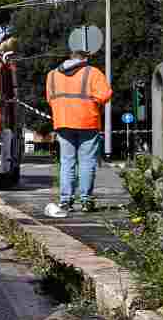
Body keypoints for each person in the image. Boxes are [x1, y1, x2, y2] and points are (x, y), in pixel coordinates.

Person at [44, 50, 112, 218]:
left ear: (69, 58)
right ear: (85, 59)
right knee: (87, 162)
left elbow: (50, 99)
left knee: (67, 162)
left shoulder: (52, 75)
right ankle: (86, 201)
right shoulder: (92, 72)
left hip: (62, 122)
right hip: (87, 122)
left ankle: (65, 201)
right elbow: (105, 95)